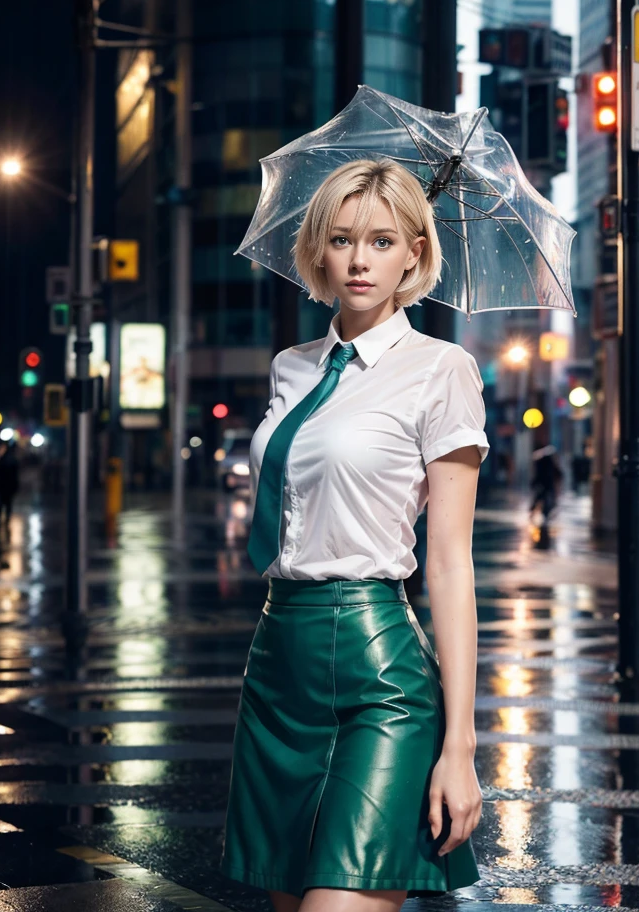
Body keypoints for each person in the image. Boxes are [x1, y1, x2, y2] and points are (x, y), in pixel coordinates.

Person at [219, 159, 490, 912]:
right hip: (276, 665)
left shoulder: (442, 370)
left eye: (381, 240)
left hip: (380, 674)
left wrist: (460, 746)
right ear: (319, 250)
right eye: (342, 239)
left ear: (413, 252)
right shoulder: (291, 368)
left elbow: (449, 562)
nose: (360, 260)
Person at [0, 440, 20, 559]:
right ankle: (5, 520)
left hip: (2, 488)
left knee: (1, 506)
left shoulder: (1, 460)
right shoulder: (12, 460)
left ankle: (0, 520)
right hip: (8, 489)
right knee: (7, 505)